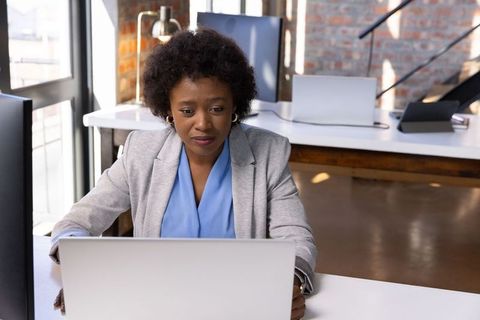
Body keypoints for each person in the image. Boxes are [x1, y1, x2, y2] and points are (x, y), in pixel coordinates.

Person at [50, 28, 317, 320]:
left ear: (234, 108)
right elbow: (74, 224)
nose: (203, 123)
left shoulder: (268, 154)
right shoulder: (141, 152)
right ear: (169, 110)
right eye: (187, 111)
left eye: (217, 108)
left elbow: (297, 238)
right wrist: (84, 276)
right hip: (154, 306)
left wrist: (286, 286)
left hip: (237, 308)